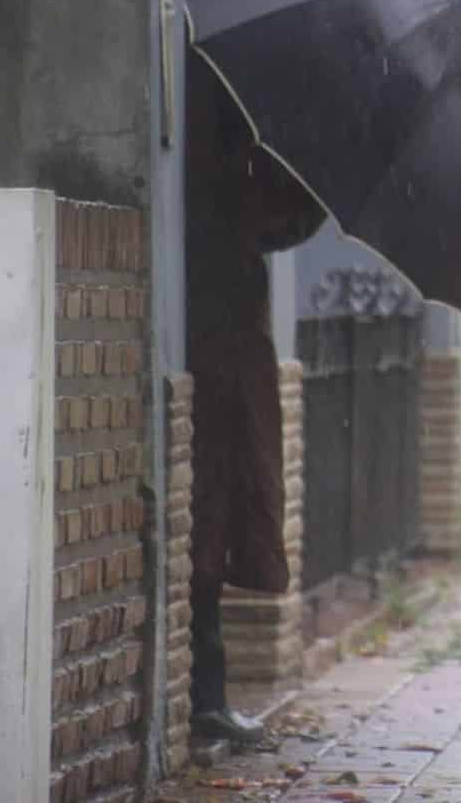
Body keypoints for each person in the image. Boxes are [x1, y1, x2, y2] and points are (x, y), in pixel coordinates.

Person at [186, 58, 325, 743]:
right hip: (212, 343)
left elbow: (271, 218)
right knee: (208, 517)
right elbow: (262, 215)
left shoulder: (229, 100)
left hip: (221, 338)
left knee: (212, 516)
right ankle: (203, 699)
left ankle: (207, 697)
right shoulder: (219, 109)